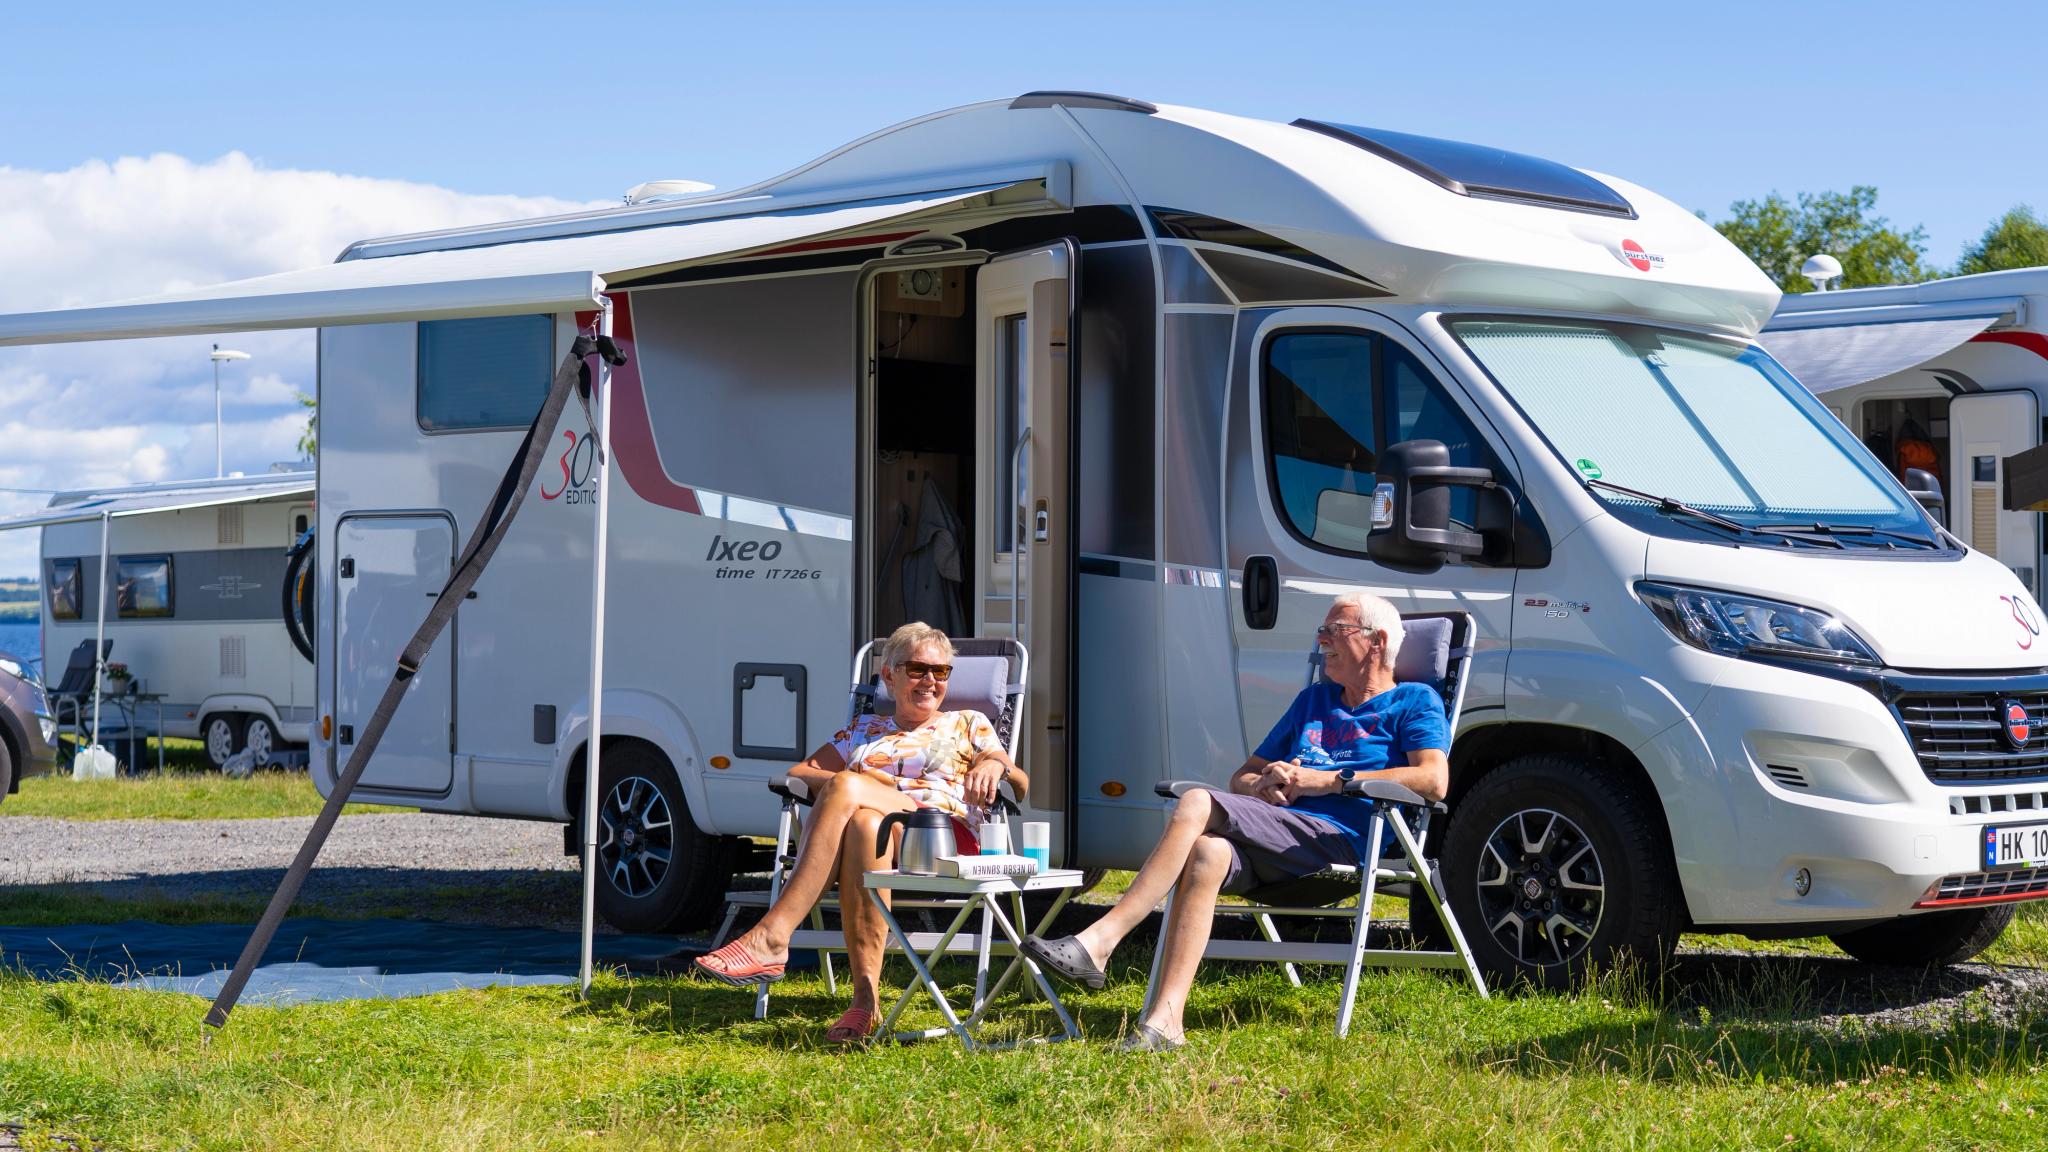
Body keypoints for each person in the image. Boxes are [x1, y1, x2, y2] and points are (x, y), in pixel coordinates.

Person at [1022, 592, 1447, 1051]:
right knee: (1207, 852)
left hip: (1341, 841)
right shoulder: (1313, 701)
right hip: (1281, 832)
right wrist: (1268, 782)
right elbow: (1241, 776)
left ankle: (1102, 939)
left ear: (1378, 641)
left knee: (1197, 802)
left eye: (1334, 630)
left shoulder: (1413, 701)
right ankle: (1166, 1023)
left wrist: (1329, 781)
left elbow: (1433, 779)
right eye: (1322, 630)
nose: (1321, 639)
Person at [694, 621, 1024, 1044]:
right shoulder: (864, 730)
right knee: (863, 821)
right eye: (919, 668)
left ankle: (773, 936)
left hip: (939, 837)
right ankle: (864, 1003)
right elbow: (800, 773)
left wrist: (995, 764)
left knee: (848, 786)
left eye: (941, 672)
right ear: (889, 675)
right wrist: (864, 792)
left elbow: (1022, 783)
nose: (931, 680)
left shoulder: (967, 722)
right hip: (879, 836)